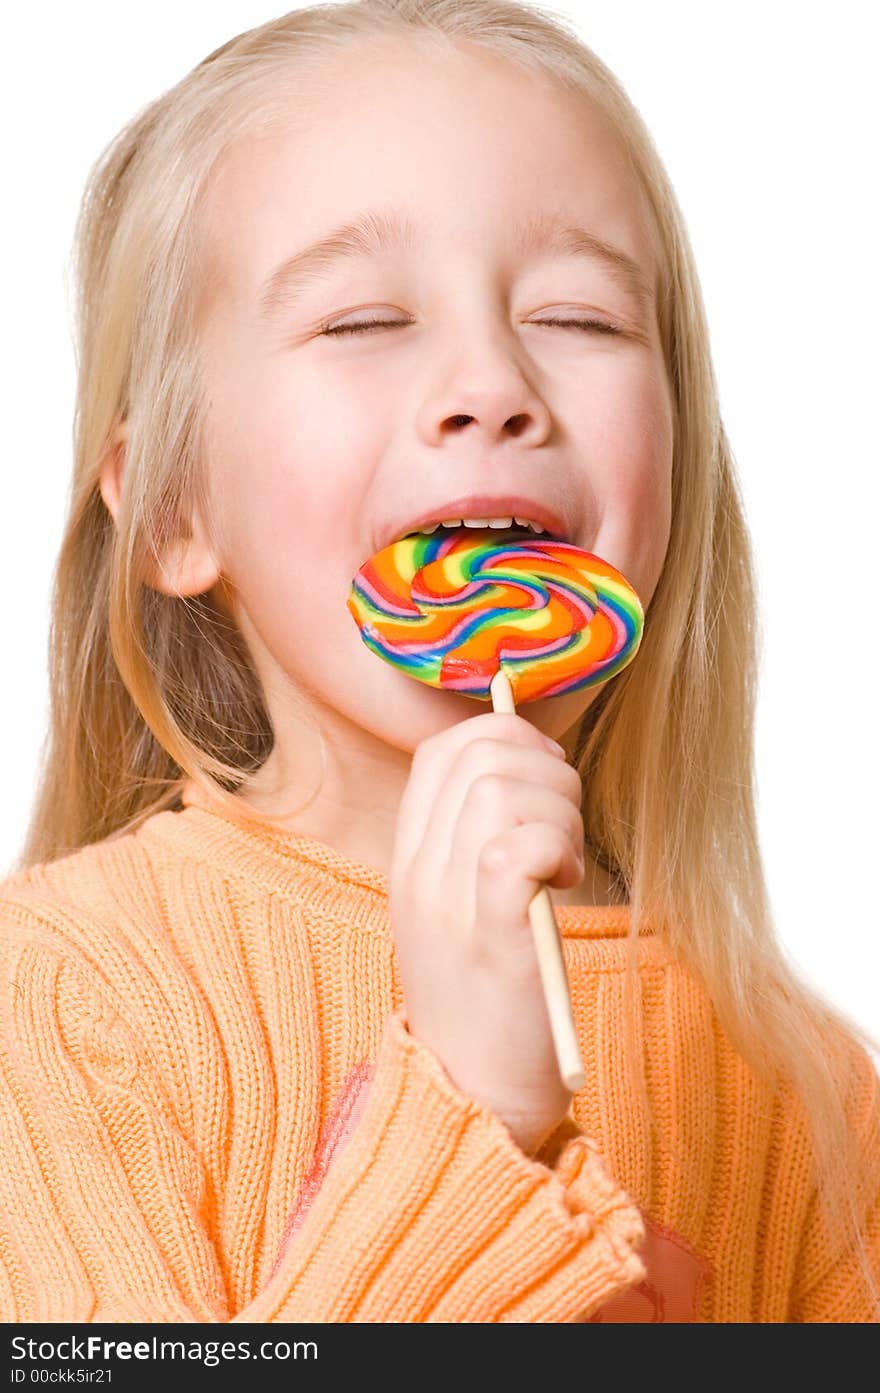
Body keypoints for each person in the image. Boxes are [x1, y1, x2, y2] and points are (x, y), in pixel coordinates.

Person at [1, 0, 877, 1324]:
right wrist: (470, 1101)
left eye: (578, 316)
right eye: (362, 320)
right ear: (175, 505)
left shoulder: (805, 1087)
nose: (491, 379)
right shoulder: (65, 997)